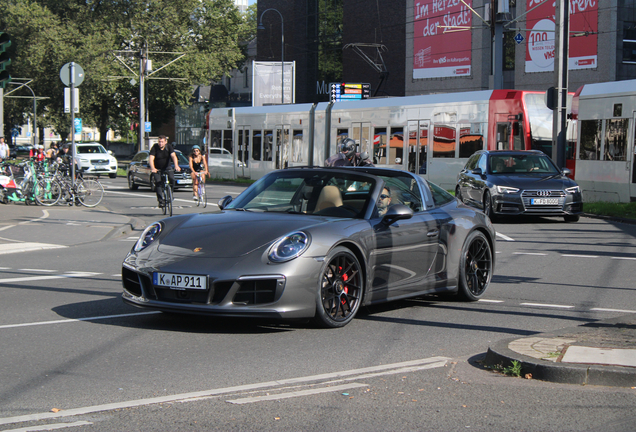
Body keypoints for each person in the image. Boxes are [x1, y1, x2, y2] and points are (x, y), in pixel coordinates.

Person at [149, 135, 181, 207]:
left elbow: (173, 156)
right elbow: (151, 158)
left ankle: (170, 194)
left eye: (162, 142)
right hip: (157, 168)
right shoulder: (155, 147)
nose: (160, 143)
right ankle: (161, 201)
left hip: (167, 167)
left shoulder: (169, 147)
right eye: (159, 142)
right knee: (158, 183)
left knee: (172, 179)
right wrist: (153, 168)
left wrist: (176, 165)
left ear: (165, 142)